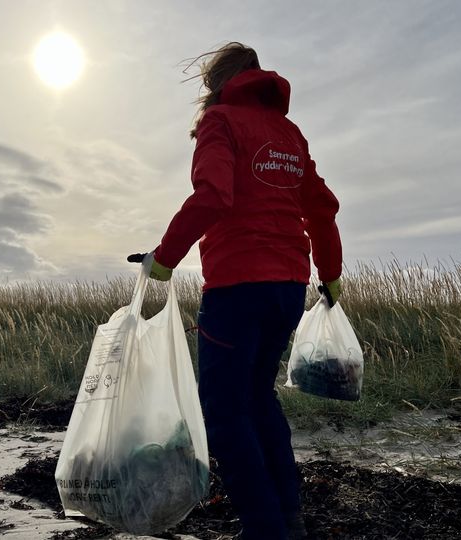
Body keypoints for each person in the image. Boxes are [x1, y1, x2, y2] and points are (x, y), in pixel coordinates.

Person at [130, 42, 342, 540]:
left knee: (224, 411)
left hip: (237, 286)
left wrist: (163, 259)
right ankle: (288, 517)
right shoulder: (288, 133)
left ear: (217, 82)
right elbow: (323, 209)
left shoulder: (221, 121)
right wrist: (329, 275)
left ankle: (266, 529)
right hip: (288, 287)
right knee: (258, 397)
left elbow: (214, 196)